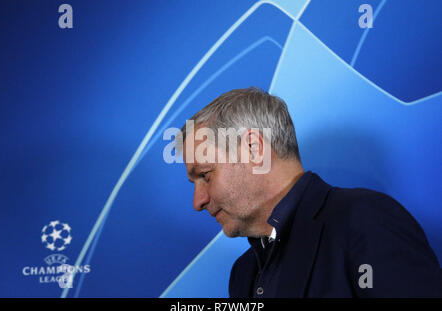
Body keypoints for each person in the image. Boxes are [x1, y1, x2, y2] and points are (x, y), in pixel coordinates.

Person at [176, 87, 442, 298]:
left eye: (205, 175)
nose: (198, 202)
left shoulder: (365, 221)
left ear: (254, 151)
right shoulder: (243, 274)